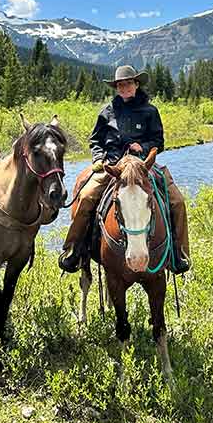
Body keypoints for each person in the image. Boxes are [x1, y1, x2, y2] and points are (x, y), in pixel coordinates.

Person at [58, 65, 190, 274]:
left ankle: (178, 253)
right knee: (86, 197)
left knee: (177, 201)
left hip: (142, 166)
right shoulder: (106, 112)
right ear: (116, 87)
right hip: (113, 166)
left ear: (136, 84)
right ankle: (75, 250)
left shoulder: (150, 111)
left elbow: (159, 141)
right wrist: (99, 158)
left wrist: (144, 148)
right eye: (120, 85)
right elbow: (95, 141)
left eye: (128, 83)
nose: (124, 87)